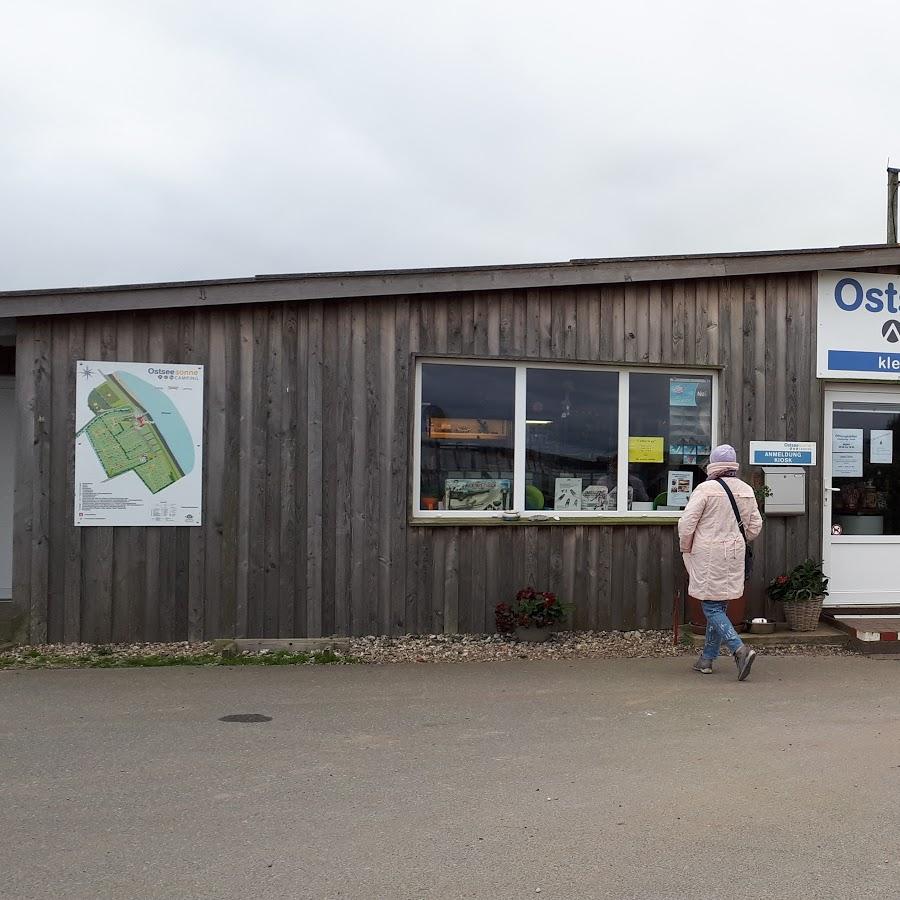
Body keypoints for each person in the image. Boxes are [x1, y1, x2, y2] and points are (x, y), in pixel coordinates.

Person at [678, 444, 763, 680]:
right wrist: (737, 538)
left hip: (708, 555)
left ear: (713, 464)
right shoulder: (746, 489)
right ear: (734, 465)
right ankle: (707, 659)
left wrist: (686, 547)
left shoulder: (705, 489)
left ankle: (739, 649)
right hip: (734, 553)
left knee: (711, 605)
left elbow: (687, 524)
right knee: (720, 604)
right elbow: (755, 526)